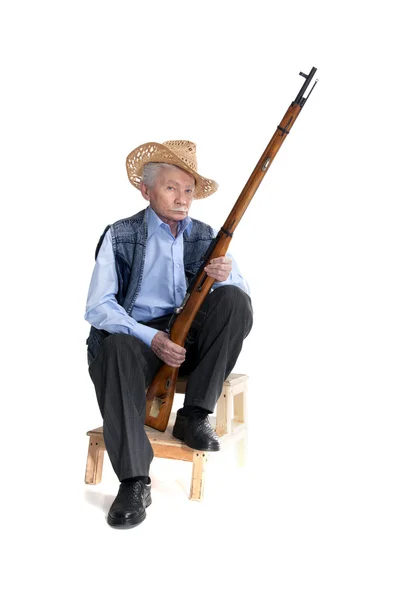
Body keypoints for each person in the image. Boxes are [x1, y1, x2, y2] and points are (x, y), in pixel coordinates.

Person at [85, 140, 253, 529]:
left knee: (234, 302)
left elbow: (240, 298)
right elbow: (98, 307)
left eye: (189, 190)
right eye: (171, 187)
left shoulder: (208, 236)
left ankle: (194, 415)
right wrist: (150, 337)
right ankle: (134, 481)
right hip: (138, 345)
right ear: (146, 190)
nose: (182, 199)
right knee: (116, 348)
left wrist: (228, 276)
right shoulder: (120, 235)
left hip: (190, 347)